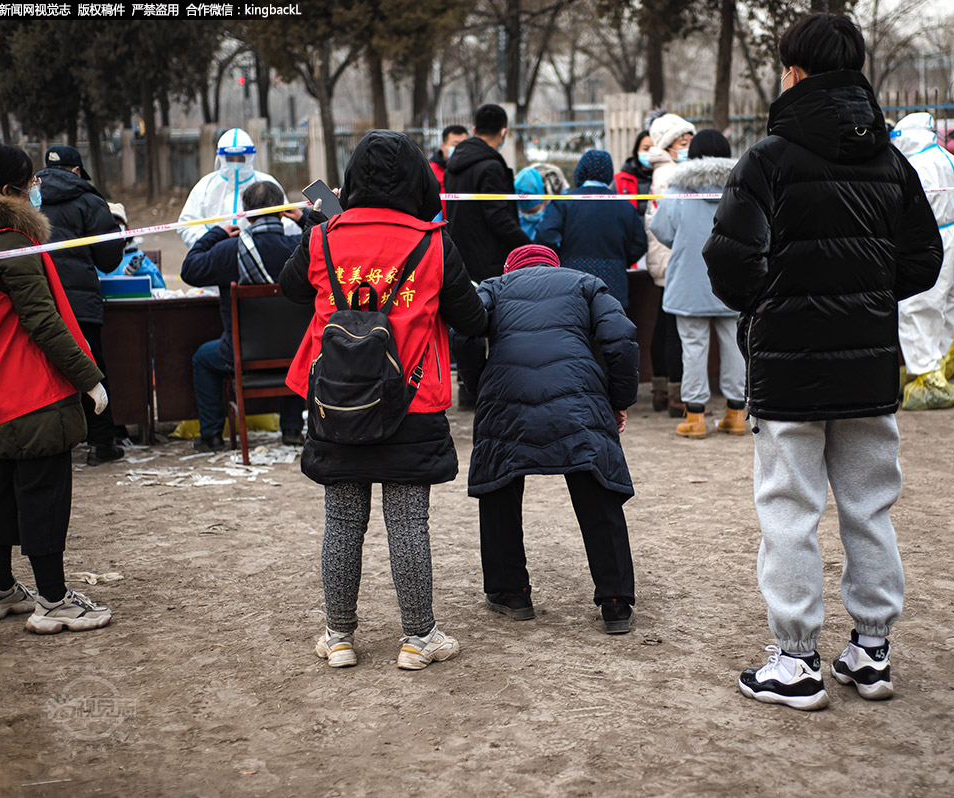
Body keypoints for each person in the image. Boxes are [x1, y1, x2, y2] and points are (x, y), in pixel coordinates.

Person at [702, 12, 942, 711]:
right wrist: (862, 294)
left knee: (789, 509)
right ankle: (872, 650)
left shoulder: (768, 159)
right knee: (870, 507)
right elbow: (923, 259)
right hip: (868, 365)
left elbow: (730, 267)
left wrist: (780, 299)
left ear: (795, 72)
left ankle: (796, 659)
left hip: (789, 366)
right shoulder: (891, 159)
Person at [279, 130, 487, 670]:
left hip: (336, 403)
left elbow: (291, 289)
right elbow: (472, 319)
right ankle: (419, 639)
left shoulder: (323, 236)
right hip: (412, 403)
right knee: (408, 522)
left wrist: (322, 224)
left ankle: (339, 637)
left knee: (343, 521)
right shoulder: (434, 243)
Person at [0, 143, 112, 634]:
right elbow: (44, 323)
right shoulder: (8, 245)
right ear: (9, 191)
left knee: (0, 488)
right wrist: (88, 377)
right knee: (43, 493)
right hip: (32, 393)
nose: (37, 190)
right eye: (32, 183)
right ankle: (53, 599)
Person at [459, 244, 639, 634]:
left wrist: (478, 386)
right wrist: (618, 400)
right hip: (578, 394)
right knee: (596, 486)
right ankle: (615, 602)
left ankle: (512, 593)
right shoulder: (585, 283)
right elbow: (621, 338)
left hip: (505, 395)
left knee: (498, 485)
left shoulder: (494, 286)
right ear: (554, 265)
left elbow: (466, 332)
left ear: (511, 268)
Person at [181, 180, 308, 452]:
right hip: (295, 352)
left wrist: (215, 233)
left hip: (240, 352)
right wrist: (306, 218)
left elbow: (189, 269)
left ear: (246, 214)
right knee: (296, 341)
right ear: (284, 211)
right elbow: (333, 236)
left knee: (202, 359)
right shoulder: (302, 246)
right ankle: (293, 428)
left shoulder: (230, 250)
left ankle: (212, 435)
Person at [649, 130, 746, 438]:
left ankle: (695, 417)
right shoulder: (741, 186)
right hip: (732, 280)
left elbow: (661, 228)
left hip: (689, 281)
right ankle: (736, 413)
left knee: (692, 348)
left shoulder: (679, 187)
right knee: (735, 347)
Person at [36, 145, 126, 466]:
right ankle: (101, 444)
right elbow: (110, 257)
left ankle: (48, 444)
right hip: (79, 303)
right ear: (76, 171)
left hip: (35, 301)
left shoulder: (25, 200)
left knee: (40, 370)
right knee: (90, 367)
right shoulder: (89, 200)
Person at [891, 112, 954, 410]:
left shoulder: (917, 165)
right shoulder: (949, 159)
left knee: (919, 305)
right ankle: (934, 367)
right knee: (946, 305)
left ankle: (926, 376)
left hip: (930, 238)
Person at [534, 150, 646, 308]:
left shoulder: (564, 203)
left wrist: (562, 261)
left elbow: (545, 236)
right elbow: (639, 243)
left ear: (581, 171)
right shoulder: (625, 206)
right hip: (613, 286)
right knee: (611, 331)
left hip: (570, 283)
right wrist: (619, 261)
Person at [443, 104, 532, 283]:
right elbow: (498, 216)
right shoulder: (491, 167)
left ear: (474, 129)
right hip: (488, 263)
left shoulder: (453, 166)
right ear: (504, 133)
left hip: (459, 258)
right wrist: (528, 246)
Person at [645, 112, 695, 416]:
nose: (687, 143)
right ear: (668, 144)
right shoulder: (670, 174)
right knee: (675, 329)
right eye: (681, 139)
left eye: (689, 137)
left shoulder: (665, 171)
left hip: (665, 255)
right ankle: (676, 394)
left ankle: (662, 389)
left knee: (665, 325)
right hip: (671, 255)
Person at [177, 128, 298, 249]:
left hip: (259, 257)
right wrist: (211, 241)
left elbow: (287, 222)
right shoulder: (205, 186)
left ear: (249, 157)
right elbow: (187, 224)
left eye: (241, 158)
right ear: (221, 158)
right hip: (217, 258)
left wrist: (264, 244)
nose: (236, 163)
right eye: (230, 159)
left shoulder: (267, 184)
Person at [103, 202, 166, 289]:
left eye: (117, 223)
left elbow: (161, 288)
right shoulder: (92, 259)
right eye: (108, 223)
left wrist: (142, 271)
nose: (113, 229)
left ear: (126, 228)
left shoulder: (138, 258)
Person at [428, 124, 468, 219]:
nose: (460, 149)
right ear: (443, 146)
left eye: (464, 144)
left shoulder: (471, 170)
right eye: (455, 144)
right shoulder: (431, 170)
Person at [614, 130, 655, 216]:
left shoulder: (666, 177)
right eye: (646, 149)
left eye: (654, 149)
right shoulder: (620, 180)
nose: (650, 153)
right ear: (637, 150)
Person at [513, 166, 546, 239]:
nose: (528, 216)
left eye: (532, 212)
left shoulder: (551, 220)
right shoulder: (513, 222)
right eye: (525, 212)